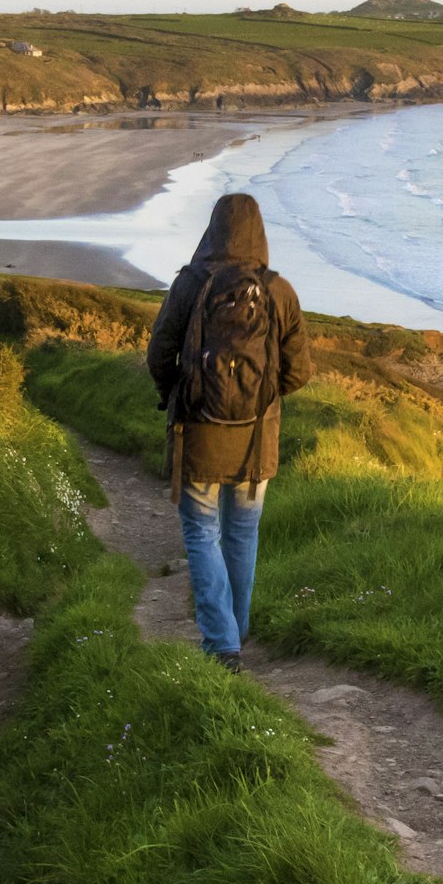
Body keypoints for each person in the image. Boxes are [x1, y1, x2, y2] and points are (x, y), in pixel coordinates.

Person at [144, 191, 311, 661]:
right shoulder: (278, 291)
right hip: (258, 440)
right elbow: (299, 372)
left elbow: (159, 355)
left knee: (201, 534)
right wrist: (263, 398)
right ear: (260, 232)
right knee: (242, 533)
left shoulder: (190, 285)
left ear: (212, 229)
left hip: (197, 433)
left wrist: (172, 395)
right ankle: (235, 635)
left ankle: (223, 645)